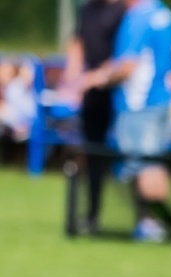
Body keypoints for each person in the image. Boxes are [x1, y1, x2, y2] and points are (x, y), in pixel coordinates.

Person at [82, 0, 171, 243]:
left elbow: (128, 66)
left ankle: (152, 224)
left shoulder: (139, 17)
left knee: (144, 163)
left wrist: (98, 78)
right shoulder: (161, 13)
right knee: (152, 161)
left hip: (139, 104)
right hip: (157, 100)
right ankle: (160, 223)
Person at [62, 0, 126, 230]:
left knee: (134, 157)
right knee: (93, 155)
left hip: (121, 92)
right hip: (93, 95)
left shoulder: (124, 10)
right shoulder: (88, 10)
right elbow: (78, 43)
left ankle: (145, 218)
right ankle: (92, 214)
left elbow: (127, 53)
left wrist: (101, 75)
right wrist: (73, 80)